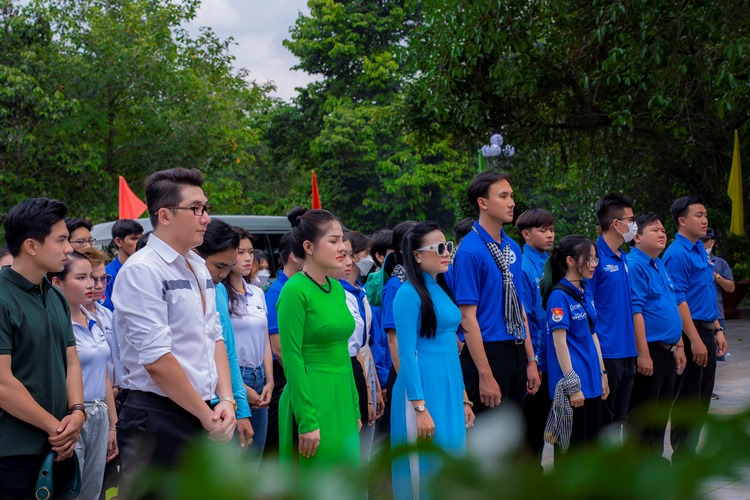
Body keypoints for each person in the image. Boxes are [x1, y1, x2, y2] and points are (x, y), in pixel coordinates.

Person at [113, 168, 236, 486]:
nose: (206, 218)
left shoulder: (197, 265)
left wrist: (225, 400)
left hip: (202, 410)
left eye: (206, 208)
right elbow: (157, 360)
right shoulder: (142, 270)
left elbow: (215, 337)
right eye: (196, 208)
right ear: (164, 215)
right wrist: (206, 416)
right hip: (157, 416)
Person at [0, 198, 85, 498]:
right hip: (14, 453)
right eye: (60, 240)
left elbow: (71, 361)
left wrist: (78, 412)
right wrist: (57, 429)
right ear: (31, 246)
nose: (68, 248)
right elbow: (3, 383)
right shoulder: (3, 297)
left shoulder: (56, 296)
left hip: (59, 447)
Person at [391, 221, 475, 499]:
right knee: (425, 466)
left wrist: (463, 398)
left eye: (447, 246)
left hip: (449, 386)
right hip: (422, 389)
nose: (447, 252)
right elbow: (406, 353)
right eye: (439, 248)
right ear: (416, 255)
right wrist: (419, 408)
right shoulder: (407, 294)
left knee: (451, 458)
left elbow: (452, 349)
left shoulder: (440, 288)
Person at [276, 207, 361, 467]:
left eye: (342, 240)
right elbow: (292, 358)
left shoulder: (336, 288)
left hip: (342, 395)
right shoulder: (294, 291)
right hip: (312, 396)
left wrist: (355, 406)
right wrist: (306, 420)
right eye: (333, 241)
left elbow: (343, 351)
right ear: (309, 247)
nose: (342, 247)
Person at [453, 171, 540, 416]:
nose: (511, 203)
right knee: (488, 433)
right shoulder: (469, 251)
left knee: (513, 432)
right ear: (483, 202)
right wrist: (485, 374)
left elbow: (519, 306)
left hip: (516, 349)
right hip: (487, 351)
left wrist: (530, 360)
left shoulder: (512, 247)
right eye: (503, 196)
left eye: (511, 196)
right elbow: (467, 317)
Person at [663, 195, 728, 460]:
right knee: (688, 398)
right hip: (691, 332)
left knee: (702, 397)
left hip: (707, 329)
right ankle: (682, 456)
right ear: (682, 220)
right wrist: (694, 339)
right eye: (698, 215)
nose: (704, 220)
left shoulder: (699, 248)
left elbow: (704, 293)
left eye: (705, 215)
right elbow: (678, 299)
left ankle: (690, 454)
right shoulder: (677, 254)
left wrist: (717, 329)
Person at [50, 251, 118, 500]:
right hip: (72, 416)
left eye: (92, 276)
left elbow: (104, 373)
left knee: (93, 490)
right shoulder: (54, 325)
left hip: (100, 412)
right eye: (81, 278)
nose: (91, 284)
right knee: (70, 490)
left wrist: (112, 424)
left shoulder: (94, 320)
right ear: (57, 282)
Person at [541, 235, 608, 452]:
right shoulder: (559, 296)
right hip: (574, 386)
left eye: (595, 259)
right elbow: (559, 343)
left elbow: (593, 334)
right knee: (573, 451)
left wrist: (603, 374)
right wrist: (572, 386)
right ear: (570, 261)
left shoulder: (584, 291)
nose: (594, 264)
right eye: (589, 259)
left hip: (592, 381)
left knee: (592, 450)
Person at [626, 213, 686, 453]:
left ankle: (654, 462)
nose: (662, 234)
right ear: (637, 237)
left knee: (660, 416)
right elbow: (636, 311)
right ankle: (638, 467)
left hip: (667, 351)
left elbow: (670, 305)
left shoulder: (658, 263)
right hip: (650, 351)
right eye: (655, 230)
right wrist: (643, 354)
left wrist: (679, 345)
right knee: (643, 418)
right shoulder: (635, 265)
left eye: (663, 230)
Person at [194, 220, 255, 452]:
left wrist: (239, 408)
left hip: (221, 403)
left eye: (229, 267)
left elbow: (227, 350)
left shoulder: (218, 289)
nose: (223, 274)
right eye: (219, 266)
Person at [223, 228, 273, 460]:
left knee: (256, 455)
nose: (247, 258)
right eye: (240, 252)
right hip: (235, 378)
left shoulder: (257, 293)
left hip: (260, 376)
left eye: (250, 252)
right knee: (236, 457)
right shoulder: (220, 294)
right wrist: (241, 388)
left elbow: (264, 339)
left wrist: (270, 381)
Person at [333, 233, 384, 461]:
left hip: (365, 366)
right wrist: (368, 394)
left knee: (367, 446)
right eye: (365, 253)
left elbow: (366, 344)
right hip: (349, 367)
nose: (367, 259)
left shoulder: (360, 291)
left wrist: (375, 387)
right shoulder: (338, 293)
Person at [588, 193, 637, 427]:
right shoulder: (594, 257)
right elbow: (586, 304)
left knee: (620, 419)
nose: (634, 226)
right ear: (616, 224)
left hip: (627, 350)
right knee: (604, 421)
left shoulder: (623, 257)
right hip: (607, 352)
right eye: (631, 220)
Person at [516, 208, 555, 459]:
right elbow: (526, 318)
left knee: (550, 423)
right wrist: (534, 361)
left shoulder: (550, 263)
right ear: (526, 234)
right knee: (533, 425)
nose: (550, 235)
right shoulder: (523, 267)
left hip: (553, 356)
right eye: (543, 230)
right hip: (538, 359)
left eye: (551, 230)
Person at [263, 231, 300, 456]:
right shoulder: (277, 291)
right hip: (285, 377)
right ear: (295, 255)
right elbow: (278, 349)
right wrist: (298, 379)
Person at [700, 228, 735, 364]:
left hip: (717, 314)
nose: (703, 243)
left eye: (706, 240)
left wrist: (716, 276)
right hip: (698, 315)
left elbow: (731, 288)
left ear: (713, 242)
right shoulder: (692, 261)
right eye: (700, 240)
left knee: (718, 354)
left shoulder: (720, 263)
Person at [102, 219, 144, 311]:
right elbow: (106, 311)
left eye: (140, 238)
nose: (139, 242)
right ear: (118, 241)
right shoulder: (108, 275)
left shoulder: (146, 269)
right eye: (134, 238)